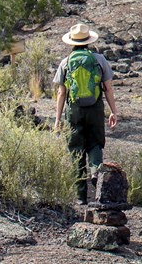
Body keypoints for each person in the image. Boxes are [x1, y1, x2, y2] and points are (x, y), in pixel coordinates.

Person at [53, 23, 119, 204]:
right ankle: (98, 181)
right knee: (95, 145)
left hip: (74, 111)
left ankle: (80, 196)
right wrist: (113, 112)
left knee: (76, 151)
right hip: (95, 109)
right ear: (89, 41)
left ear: (72, 42)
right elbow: (108, 88)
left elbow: (61, 93)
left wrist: (57, 119)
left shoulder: (65, 62)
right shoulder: (99, 60)